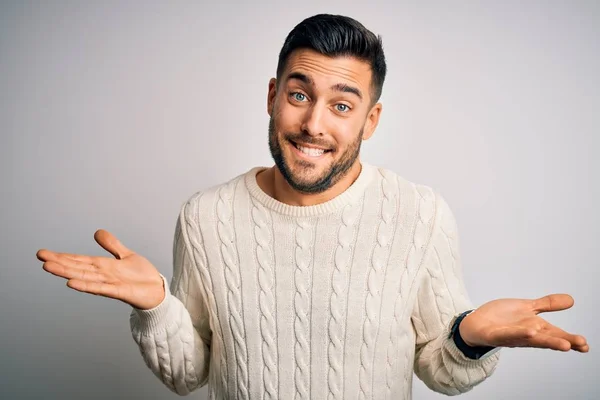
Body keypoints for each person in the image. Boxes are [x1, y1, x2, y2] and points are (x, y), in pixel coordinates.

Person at [37, 13, 589, 400]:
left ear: (370, 121)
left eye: (342, 105)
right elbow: (191, 376)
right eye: (299, 95)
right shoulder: (205, 216)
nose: (314, 124)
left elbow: (437, 372)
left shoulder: (420, 214)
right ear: (273, 95)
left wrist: (468, 337)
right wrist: (157, 307)